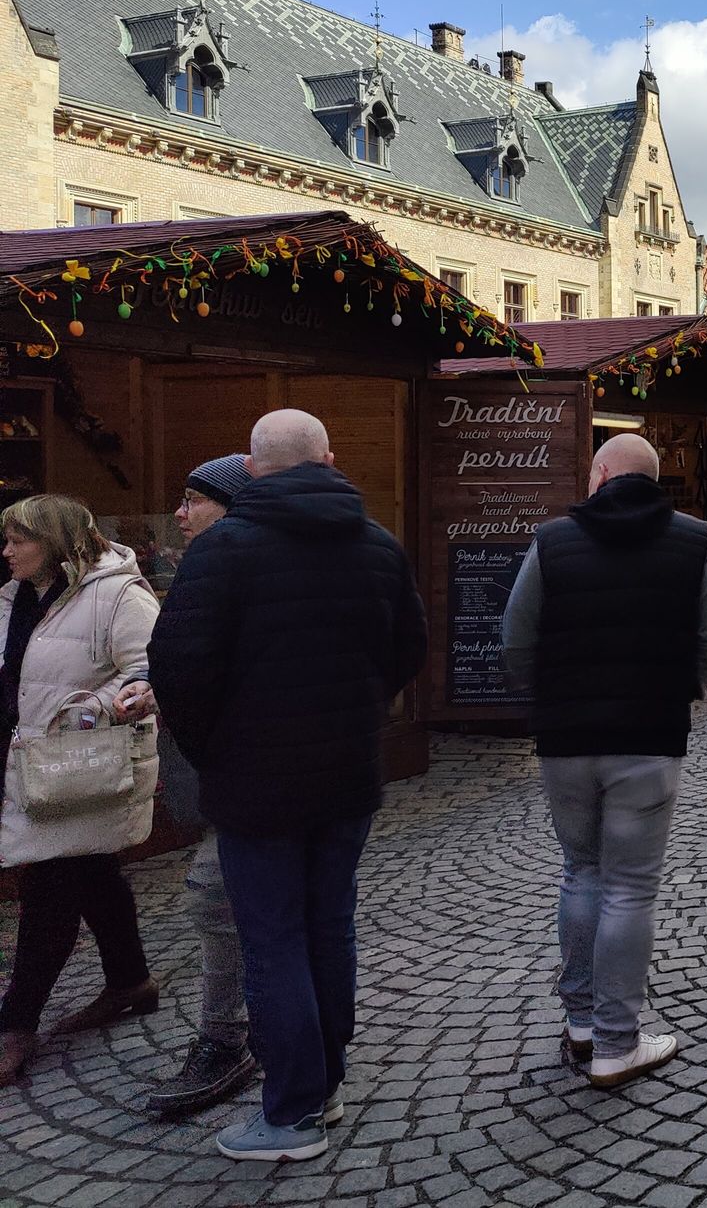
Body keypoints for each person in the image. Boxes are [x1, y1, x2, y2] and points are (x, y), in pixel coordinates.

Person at [149, 410, 426, 1163]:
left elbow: (177, 668)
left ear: (253, 466)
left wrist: (218, 751)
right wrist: (356, 717)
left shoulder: (222, 551)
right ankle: (324, 1084)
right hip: (345, 774)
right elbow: (408, 650)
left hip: (254, 782)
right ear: (329, 458)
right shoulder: (377, 544)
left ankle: (293, 1112)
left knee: (271, 939)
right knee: (327, 928)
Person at [503, 433, 707, 1089]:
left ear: (599, 473)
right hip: (648, 733)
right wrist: (677, 684)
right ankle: (616, 1042)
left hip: (566, 735)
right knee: (630, 887)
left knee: (581, 871)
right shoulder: (695, 540)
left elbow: (517, 641)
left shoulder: (552, 541)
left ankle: (579, 1022)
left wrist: (552, 694)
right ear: (652, 479)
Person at [0, 495, 161, 1088]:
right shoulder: (14, 595)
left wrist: (100, 705)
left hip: (76, 765)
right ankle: (130, 981)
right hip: (23, 763)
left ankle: (14, 1024)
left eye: (20, 539)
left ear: (58, 542)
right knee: (90, 872)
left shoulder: (118, 593)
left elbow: (148, 668)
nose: (8, 550)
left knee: (47, 887)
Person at [119, 456, 259, 1119]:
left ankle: (228, 1039)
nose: (179, 513)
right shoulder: (206, 571)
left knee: (215, 899)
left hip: (248, 777)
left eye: (192, 501)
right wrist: (153, 683)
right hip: (224, 778)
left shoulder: (242, 573)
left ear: (228, 508)